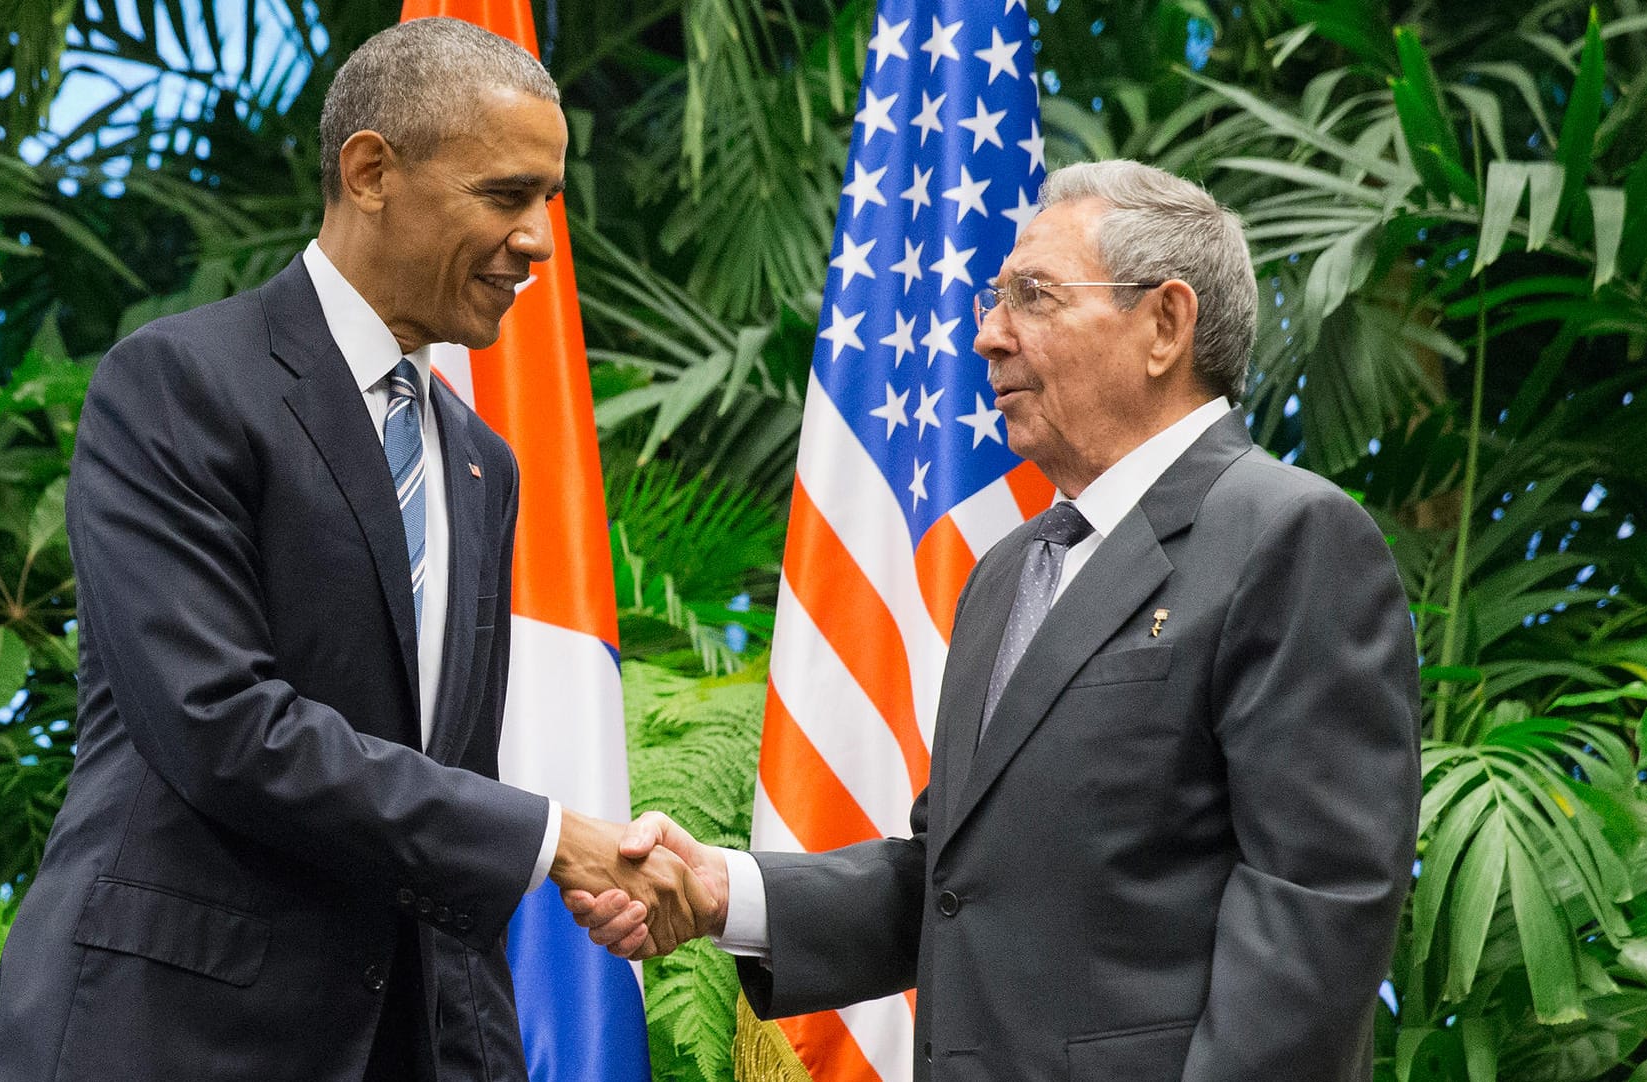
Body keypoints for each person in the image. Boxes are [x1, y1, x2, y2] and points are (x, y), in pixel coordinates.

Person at [0, 18, 709, 1082]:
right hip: (162, 1037)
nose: (540, 239)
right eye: (507, 194)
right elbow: (223, 726)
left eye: (552, 200)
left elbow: (444, 796)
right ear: (371, 171)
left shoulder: (483, 462)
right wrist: (547, 837)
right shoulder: (180, 384)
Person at [569, 160, 1420, 1080]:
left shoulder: (1290, 535)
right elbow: (956, 880)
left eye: (1033, 296)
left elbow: (1314, 916)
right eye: (993, 298)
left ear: (1165, 324)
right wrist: (723, 892)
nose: (987, 336)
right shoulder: (1011, 570)